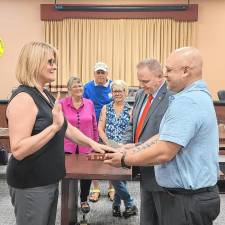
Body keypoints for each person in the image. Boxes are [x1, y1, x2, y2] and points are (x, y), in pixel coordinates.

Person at [104, 47, 220, 225]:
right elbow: (163, 136)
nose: (165, 75)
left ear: (186, 71)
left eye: (169, 70)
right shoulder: (191, 96)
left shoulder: (188, 101)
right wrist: (136, 147)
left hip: (186, 201)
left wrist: (125, 159)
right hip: (185, 196)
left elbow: (164, 152)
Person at [6, 41, 110, 225]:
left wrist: (93, 144)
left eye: (55, 62)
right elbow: (19, 149)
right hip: (31, 182)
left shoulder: (45, 94)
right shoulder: (24, 98)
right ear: (34, 63)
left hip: (48, 178)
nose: (55, 66)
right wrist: (53, 127)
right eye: (50, 62)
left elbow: (66, 127)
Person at [122, 59, 172, 225]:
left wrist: (136, 149)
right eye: (139, 81)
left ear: (160, 77)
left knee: (163, 218)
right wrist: (125, 144)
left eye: (145, 81)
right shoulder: (140, 94)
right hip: (144, 169)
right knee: (147, 219)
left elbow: (165, 136)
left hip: (162, 173)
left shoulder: (172, 97)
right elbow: (132, 124)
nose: (141, 85)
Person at [98, 80, 138, 218]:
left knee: (120, 178)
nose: (117, 93)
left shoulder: (131, 109)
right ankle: (129, 203)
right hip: (109, 148)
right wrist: (109, 144)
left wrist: (123, 146)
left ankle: (116, 206)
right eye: (115, 91)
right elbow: (100, 129)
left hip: (125, 149)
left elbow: (133, 130)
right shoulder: (105, 108)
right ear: (111, 92)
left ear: (125, 92)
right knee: (113, 177)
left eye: (120, 91)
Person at [60, 76, 99, 213]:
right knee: (67, 175)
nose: (78, 88)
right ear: (69, 89)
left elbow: (94, 124)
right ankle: (68, 202)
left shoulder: (89, 103)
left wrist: (95, 144)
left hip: (86, 147)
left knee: (85, 175)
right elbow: (58, 126)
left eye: (80, 85)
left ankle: (84, 200)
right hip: (67, 146)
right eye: (75, 86)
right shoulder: (62, 103)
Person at [83, 61, 115, 202]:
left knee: (111, 157)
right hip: (91, 127)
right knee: (94, 158)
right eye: (98, 72)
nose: (100, 75)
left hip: (110, 127)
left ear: (107, 73)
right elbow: (83, 104)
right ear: (94, 74)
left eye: (103, 72)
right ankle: (95, 189)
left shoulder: (114, 86)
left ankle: (112, 188)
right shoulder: (87, 87)